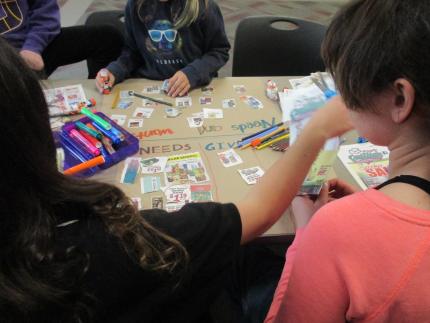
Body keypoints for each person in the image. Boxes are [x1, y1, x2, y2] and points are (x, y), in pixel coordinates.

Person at [0, 37, 352, 322]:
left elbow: (217, 50)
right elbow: (255, 213)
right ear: (35, 133)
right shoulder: (113, 244)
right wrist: (316, 129)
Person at [265, 0, 430, 322]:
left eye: (346, 84)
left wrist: (309, 235)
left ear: (400, 98)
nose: (341, 99)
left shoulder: (336, 230)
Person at [95, 0, 230, 97]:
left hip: (194, 87)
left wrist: (193, 73)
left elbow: (219, 51)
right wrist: (115, 70)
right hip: (148, 86)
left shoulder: (205, 7)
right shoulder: (135, 6)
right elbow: (132, 52)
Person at [0, 0, 123, 78]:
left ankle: (99, 90)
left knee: (108, 38)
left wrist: (33, 47)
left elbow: (46, 17)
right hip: (6, 62)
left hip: (32, 49)